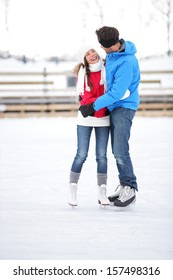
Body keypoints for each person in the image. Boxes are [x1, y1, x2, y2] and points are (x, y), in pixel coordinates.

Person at [79, 26, 140, 208]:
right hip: (114, 107)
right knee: (116, 150)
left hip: (123, 106)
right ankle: (123, 185)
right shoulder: (113, 56)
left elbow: (117, 92)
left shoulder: (126, 62)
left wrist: (93, 106)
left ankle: (130, 187)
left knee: (120, 150)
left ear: (106, 45)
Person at [68, 46, 110, 207]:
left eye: (92, 51)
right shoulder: (82, 73)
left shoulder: (107, 68)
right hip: (85, 118)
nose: (92, 54)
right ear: (84, 59)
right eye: (87, 54)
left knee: (101, 156)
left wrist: (101, 102)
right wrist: (101, 101)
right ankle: (73, 188)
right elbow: (85, 97)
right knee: (81, 154)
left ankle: (102, 190)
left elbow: (110, 92)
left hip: (104, 117)